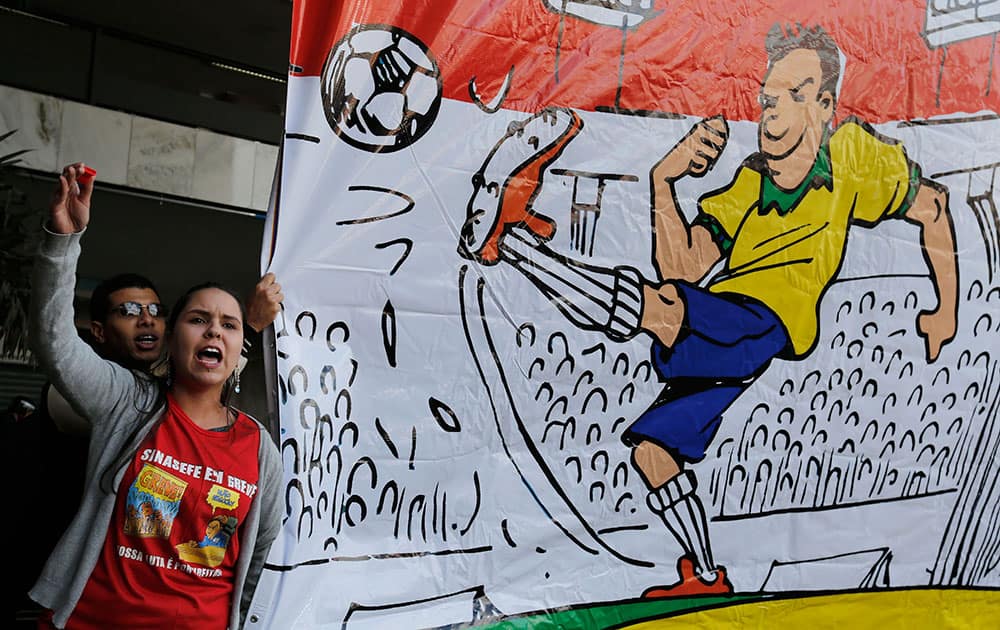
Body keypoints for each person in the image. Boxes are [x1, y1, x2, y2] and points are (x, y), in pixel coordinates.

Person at [469, 24, 958, 596]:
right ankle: (707, 577)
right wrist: (663, 179)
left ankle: (512, 244)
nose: (774, 113)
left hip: (767, 324)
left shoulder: (852, 157)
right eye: (770, 98)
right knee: (655, 453)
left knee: (666, 309)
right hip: (730, 324)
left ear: (826, 106)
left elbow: (933, 206)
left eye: (795, 97)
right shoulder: (748, 182)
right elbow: (682, 265)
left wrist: (945, 308)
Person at [29, 163, 283, 629]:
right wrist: (61, 245)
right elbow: (55, 343)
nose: (214, 331)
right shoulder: (127, 403)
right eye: (198, 319)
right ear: (171, 340)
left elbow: (261, 559)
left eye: (229, 325)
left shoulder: (260, 448)